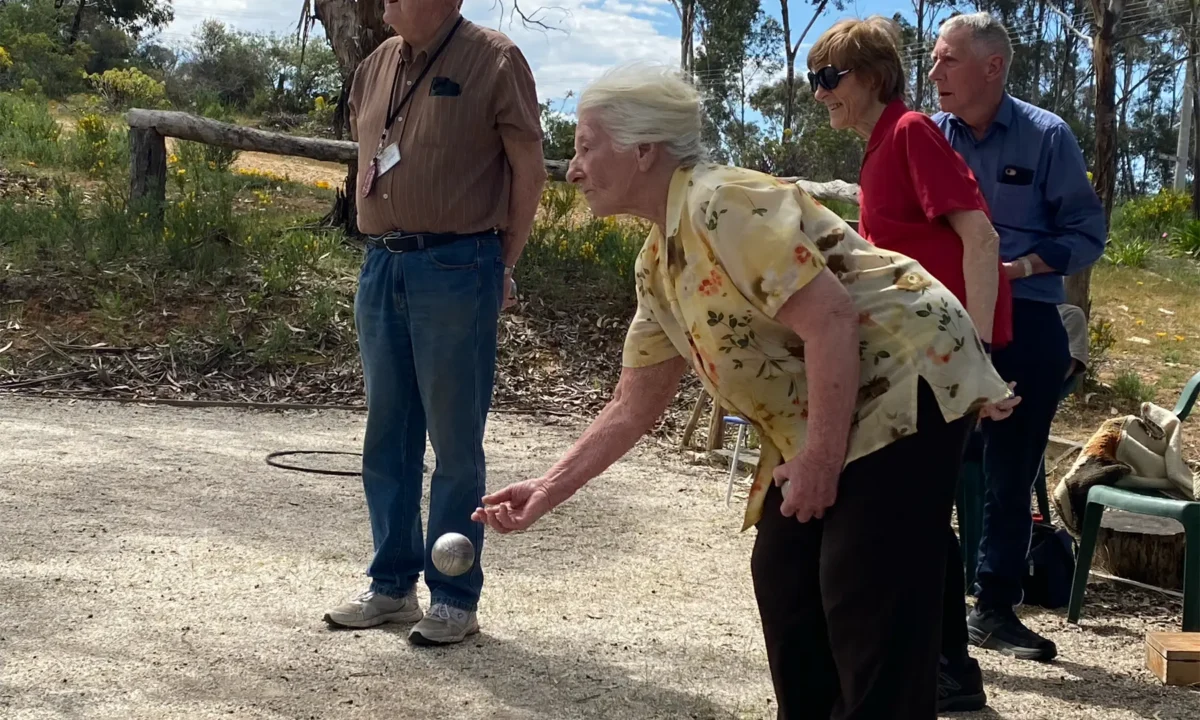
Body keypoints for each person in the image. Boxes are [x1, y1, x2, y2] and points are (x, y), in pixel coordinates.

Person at [472, 63, 1019, 720]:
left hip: (909, 376)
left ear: (644, 149)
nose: (574, 168)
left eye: (588, 146)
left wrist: (818, 459)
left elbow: (832, 317)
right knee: (785, 577)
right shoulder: (660, 259)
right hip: (835, 400)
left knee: (863, 583)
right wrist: (545, 489)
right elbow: (633, 404)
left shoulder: (721, 201)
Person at [322, 0, 546, 646]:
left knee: (454, 440)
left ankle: (453, 595)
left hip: (457, 266)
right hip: (381, 266)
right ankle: (391, 586)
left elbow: (529, 172)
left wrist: (500, 263)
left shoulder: (496, 60)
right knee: (386, 433)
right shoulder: (374, 67)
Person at [806, 15, 1013, 712]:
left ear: (871, 77)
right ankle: (942, 678)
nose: (819, 93)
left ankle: (930, 681)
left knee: (904, 532)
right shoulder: (877, 147)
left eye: (829, 78)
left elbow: (980, 239)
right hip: (907, 367)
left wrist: (974, 362)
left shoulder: (910, 132)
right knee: (919, 530)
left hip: (939, 366)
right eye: (814, 79)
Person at [929, 11, 1107, 661]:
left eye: (948, 59)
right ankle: (921, 604)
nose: (934, 72)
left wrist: (1022, 267)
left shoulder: (1046, 136)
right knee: (926, 464)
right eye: (933, 58)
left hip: (1027, 316)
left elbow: (1088, 233)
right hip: (941, 320)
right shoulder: (929, 138)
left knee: (1010, 475)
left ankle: (994, 608)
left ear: (992, 66)